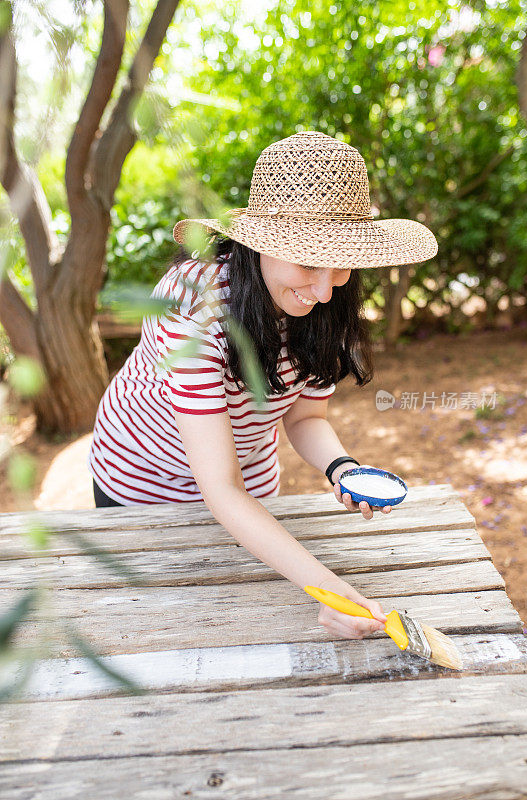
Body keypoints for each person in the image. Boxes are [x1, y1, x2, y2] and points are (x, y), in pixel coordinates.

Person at [87, 130, 438, 642]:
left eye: (341, 265)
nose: (323, 290)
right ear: (261, 244)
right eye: (310, 262)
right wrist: (329, 587)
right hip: (143, 487)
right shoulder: (196, 307)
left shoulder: (325, 300)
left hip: (246, 487)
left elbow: (303, 416)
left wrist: (342, 469)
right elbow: (219, 488)